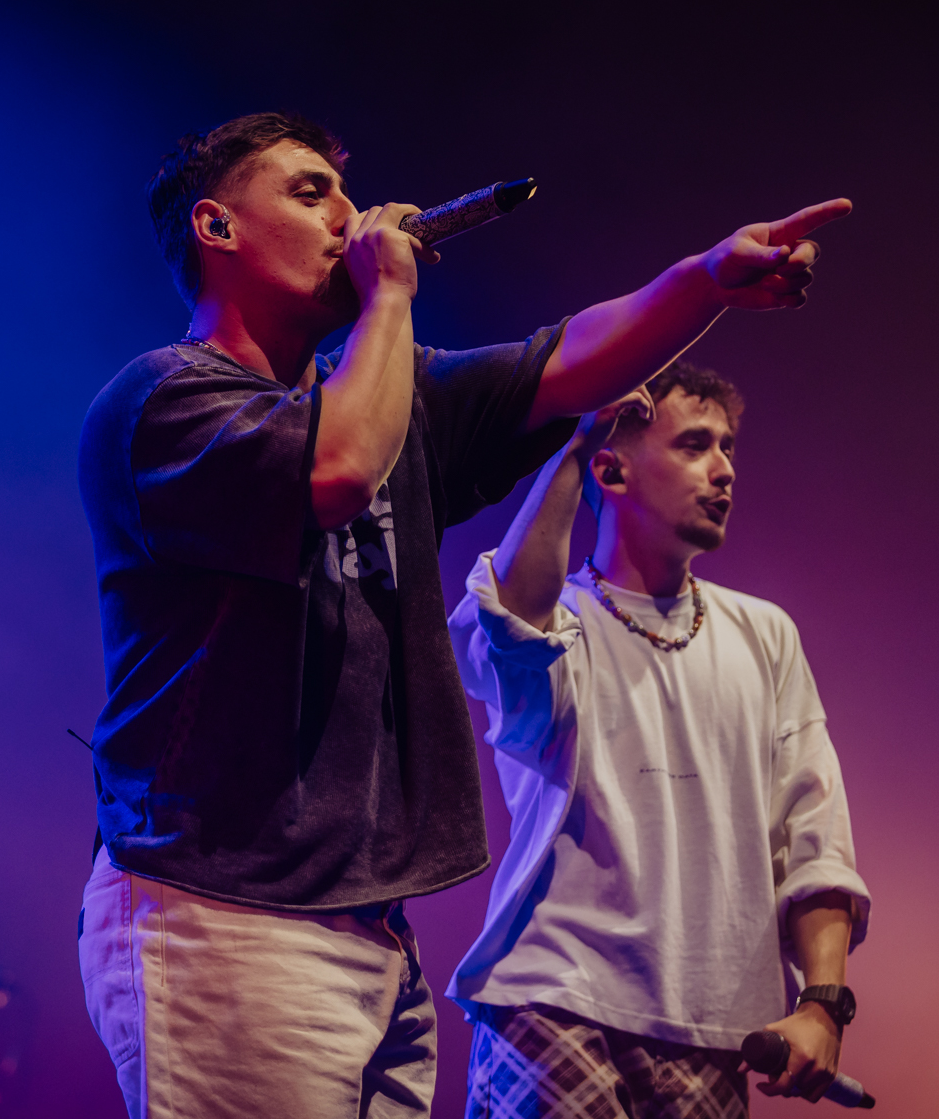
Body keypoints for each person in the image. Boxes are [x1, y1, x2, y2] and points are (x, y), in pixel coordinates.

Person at [75, 110, 850, 1119]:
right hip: (224, 913)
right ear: (218, 228)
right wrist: (389, 295)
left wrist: (705, 281)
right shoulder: (166, 402)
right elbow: (338, 473)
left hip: (369, 930)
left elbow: (566, 362)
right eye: (310, 194)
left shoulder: (393, 395)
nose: (350, 217)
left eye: (347, 195)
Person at [447, 361, 871, 1117]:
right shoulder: (561, 622)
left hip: (715, 1029)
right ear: (612, 469)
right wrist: (574, 445)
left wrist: (823, 1004)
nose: (725, 469)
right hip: (555, 1002)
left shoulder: (765, 633)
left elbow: (814, 833)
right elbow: (509, 620)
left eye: (729, 447)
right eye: (696, 444)